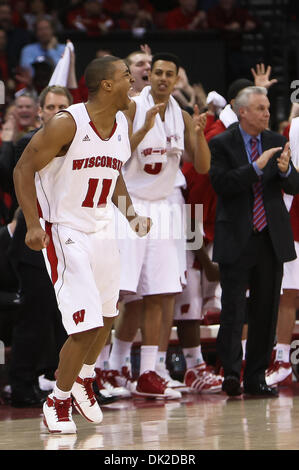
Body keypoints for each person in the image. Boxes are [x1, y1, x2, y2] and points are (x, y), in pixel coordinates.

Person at [13, 56, 151, 434]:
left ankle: (83, 378)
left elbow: (113, 175)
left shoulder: (121, 122)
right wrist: (31, 224)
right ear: (107, 85)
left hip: (102, 226)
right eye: (127, 76)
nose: (134, 83)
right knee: (85, 324)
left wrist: (131, 215)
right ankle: (57, 399)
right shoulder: (67, 123)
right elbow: (23, 168)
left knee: (108, 316)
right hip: (66, 229)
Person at [108, 52, 210, 399]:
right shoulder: (133, 108)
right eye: (158, 73)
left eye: (170, 74)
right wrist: (145, 130)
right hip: (130, 206)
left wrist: (198, 133)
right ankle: (106, 365)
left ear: (177, 78)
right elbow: (114, 157)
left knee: (163, 292)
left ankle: (148, 371)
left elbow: (203, 166)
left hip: (166, 208)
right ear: (149, 76)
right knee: (124, 294)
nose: (163, 79)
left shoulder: (181, 115)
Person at [209, 86, 299, 397]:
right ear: (243, 111)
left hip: (270, 237)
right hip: (236, 235)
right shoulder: (221, 143)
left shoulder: (277, 141)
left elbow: (294, 185)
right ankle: (232, 373)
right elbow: (221, 184)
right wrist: (256, 168)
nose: (267, 114)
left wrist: (286, 172)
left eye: (267, 108)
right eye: (260, 108)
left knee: (266, 310)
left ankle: (257, 376)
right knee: (233, 309)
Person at [9, 86, 73, 408]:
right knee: (34, 319)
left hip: (70, 240)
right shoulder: (27, 143)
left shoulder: (81, 145)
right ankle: (21, 384)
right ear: (40, 112)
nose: (56, 111)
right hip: (33, 244)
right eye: (51, 106)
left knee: (71, 319)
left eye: (63, 105)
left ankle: (68, 384)